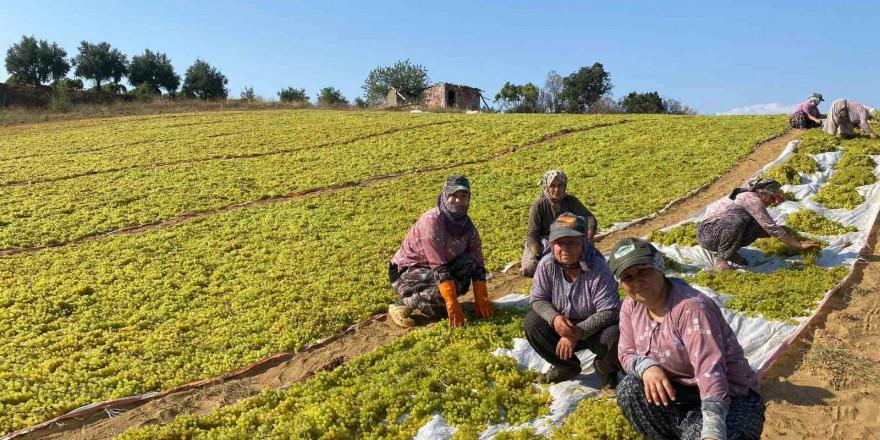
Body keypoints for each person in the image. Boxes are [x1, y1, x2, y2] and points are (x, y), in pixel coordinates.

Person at [610, 238, 765, 440]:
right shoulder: (631, 306)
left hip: (729, 397)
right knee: (629, 389)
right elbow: (626, 352)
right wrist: (647, 366)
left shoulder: (691, 309)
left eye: (643, 271)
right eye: (628, 277)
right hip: (679, 394)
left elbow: (710, 371)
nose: (637, 282)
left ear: (659, 267)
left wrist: (712, 432)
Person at [523, 213, 621, 396]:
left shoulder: (598, 267)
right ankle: (566, 367)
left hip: (594, 328)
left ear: (583, 242)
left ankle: (607, 372)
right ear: (552, 245)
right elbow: (538, 298)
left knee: (614, 334)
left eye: (573, 242)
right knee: (532, 322)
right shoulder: (547, 265)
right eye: (560, 243)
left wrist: (578, 332)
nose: (565, 249)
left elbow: (611, 310)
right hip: (562, 326)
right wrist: (555, 318)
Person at [387, 174, 493, 328]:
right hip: (408, 270)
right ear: (445, 195)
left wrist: (482, 299)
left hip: (437, 269)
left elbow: (479, 263)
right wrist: (451, 301)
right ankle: (402, 303)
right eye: (453, 195)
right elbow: (437, 264)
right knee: (441, 300)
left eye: (463, 196)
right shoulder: (433, 220)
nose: (458, 200)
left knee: (469, 263)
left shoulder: (467, 226)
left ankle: (441, 302)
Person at [696, 177, 820, 271]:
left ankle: (730, 252)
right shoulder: (751, 199)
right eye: (772, 198)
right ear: (762, 193)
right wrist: (799, 244)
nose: (773, 202)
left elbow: (767, 227)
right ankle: (721, 258)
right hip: (708, 233)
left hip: (721, 231)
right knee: (736, 222)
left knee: (756, 225)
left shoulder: (754, 198)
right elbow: (770, 226)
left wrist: (783, 232)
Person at [521, 170, 598, 277]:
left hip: (569, 237)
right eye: (552, 186)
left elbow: (590, 219)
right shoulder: (538, 205)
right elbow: (532, 234)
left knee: (592, 261)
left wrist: (588, 239)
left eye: (560, 185)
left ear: (565, 186)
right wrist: (537, 254)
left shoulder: (571, 202)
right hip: (547, 242)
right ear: (547, 186)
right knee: (532, 267)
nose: (557, 190)